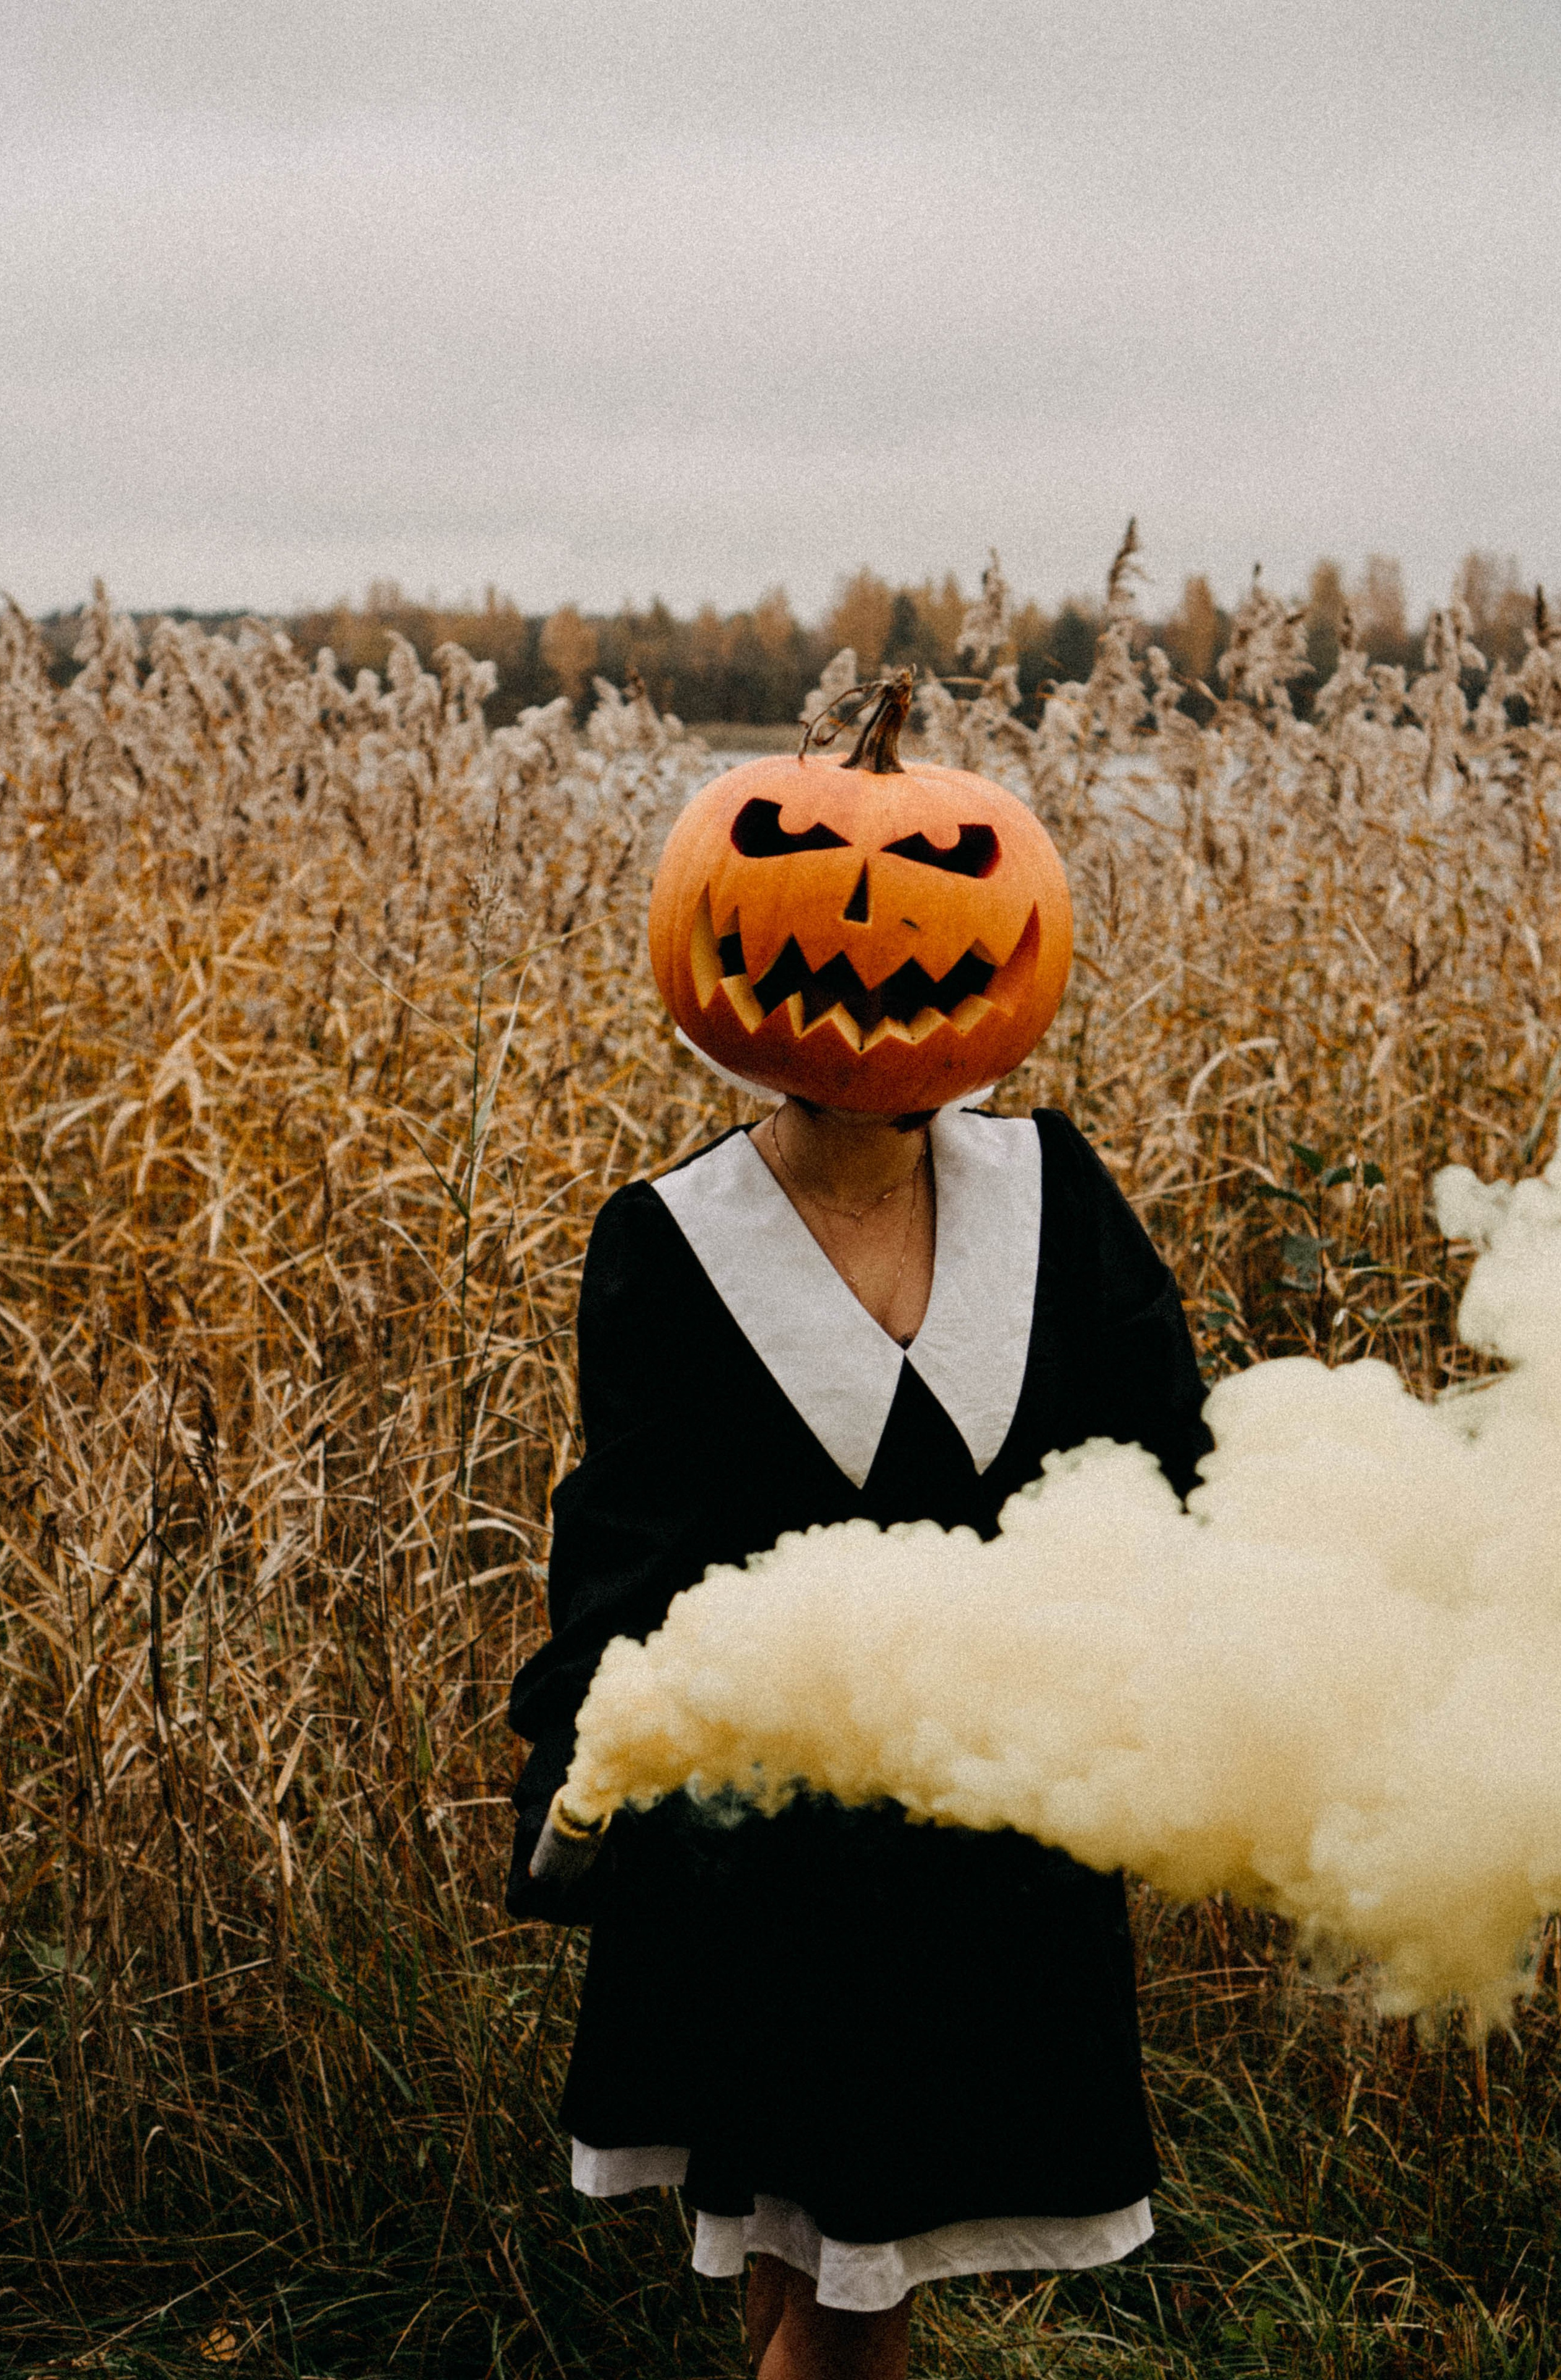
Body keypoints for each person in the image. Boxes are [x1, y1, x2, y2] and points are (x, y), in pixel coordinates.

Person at [507, 693, 1210, 2379]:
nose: (883, 922)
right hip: (775, 1873)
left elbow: (1162, 1472)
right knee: (834, 2309)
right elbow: (634, 1545)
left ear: (1010, 934)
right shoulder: (671, 1245)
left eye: (946, 876)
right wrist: (591, 1773)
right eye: (809, 870)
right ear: (718, 934)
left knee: (825, 2284)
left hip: (989, 1848)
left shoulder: (1060, 1202)